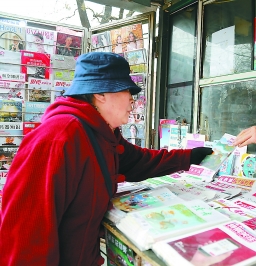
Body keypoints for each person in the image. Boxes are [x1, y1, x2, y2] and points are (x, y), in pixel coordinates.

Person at [0, 52, 212, 265]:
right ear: (101, 93)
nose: (132, 99)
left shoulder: (102, 134)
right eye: (127, 90)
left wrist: (188, 157)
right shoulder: (59, 136)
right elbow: (24, 232)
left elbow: (139, 161)